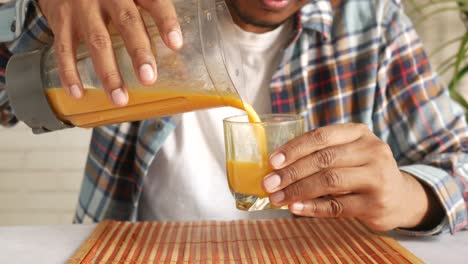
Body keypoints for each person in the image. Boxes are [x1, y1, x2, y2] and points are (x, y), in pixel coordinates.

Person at [0, 0, 467, 236]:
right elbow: (11, 97)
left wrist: (408, 195)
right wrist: (41, 5)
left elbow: (460, 161)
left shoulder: (372, 20)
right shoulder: (141, 12)